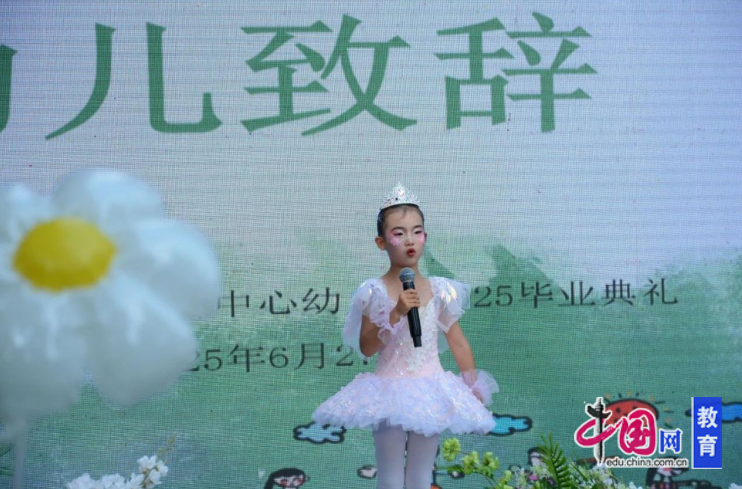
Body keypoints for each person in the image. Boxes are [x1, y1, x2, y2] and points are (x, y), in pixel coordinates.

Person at [312, 183, 499, 489]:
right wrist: (396, 313)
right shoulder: (373, 291)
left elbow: (457, 340)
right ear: (381, 242)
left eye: (417, 231)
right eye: (399, 233)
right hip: (388, 390)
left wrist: (471, 384)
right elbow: (367, 347)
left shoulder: (440, 290)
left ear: (425, 236)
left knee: (421, 477)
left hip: (430, 388)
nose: (410, 240)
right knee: (389, 477)